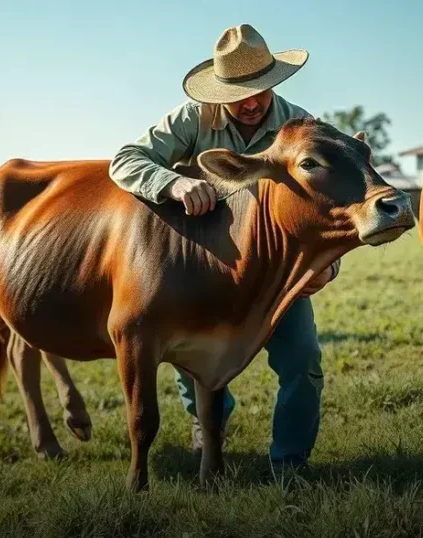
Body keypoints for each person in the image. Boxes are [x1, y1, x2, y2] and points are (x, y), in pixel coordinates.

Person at [108, 24, 341, 470]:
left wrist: (327, 270)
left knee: (303, 359)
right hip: (205, 270)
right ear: (219, 90)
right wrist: (172, 183)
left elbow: (331, 203)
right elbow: (125, 160)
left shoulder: (303, 128)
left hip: (277, 274)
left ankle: (290, 462)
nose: (252, 104)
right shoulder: (192, 118)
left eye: (261, 90)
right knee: (188, 358)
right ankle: (207, 422)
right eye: (239, 93)